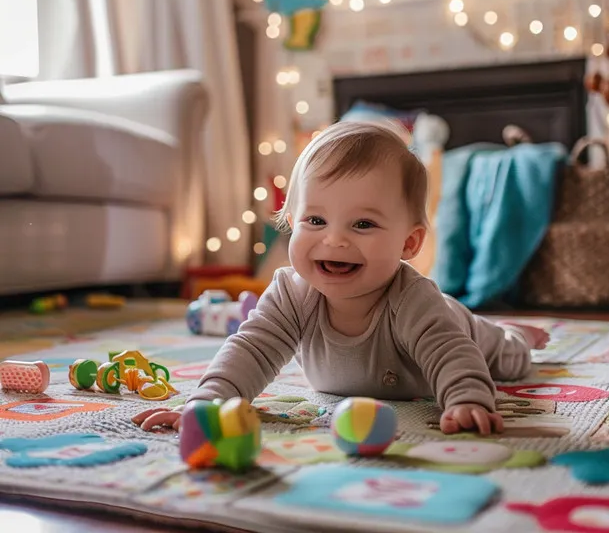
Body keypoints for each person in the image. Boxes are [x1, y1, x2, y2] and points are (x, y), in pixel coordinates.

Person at [133, 120, 548, 436]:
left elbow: (451, 355)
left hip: (459, 328)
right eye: (315, 220)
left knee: (507, 358)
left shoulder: (412, 300)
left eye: (363, 224)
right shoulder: (291, 295)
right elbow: (251, 349)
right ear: (292, 222)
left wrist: (466, 401)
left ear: (409, 243)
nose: (334, 240)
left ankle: (517, 334)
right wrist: (207, 403)